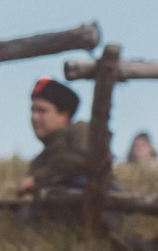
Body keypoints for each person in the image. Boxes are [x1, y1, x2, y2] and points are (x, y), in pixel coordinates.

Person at [14, 77, 99, 223]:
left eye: (42, 111)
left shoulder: (80, 130)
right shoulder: (41, 159)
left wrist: (37, 178)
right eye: (33, 110)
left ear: (64, 114)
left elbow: (84, 159)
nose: (34, 117)